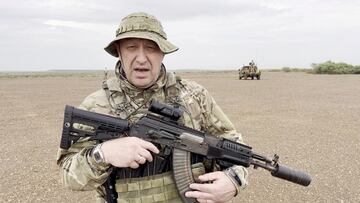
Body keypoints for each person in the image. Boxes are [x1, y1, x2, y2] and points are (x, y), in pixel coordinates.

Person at [57, 12, 248, 203]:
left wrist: (233, 181)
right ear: (119, 51)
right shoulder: (96, 105)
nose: (141, 58)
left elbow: (233, 145)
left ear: (162, 53)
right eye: (131, 47)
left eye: (151, 48)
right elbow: (69, 176)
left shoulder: (194, 96)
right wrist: (103, 153)